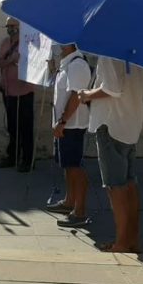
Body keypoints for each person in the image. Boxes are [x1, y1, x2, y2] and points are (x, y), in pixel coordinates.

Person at [78, 56, 143, 253]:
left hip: (111, 124)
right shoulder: (138, 56)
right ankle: (131, 238)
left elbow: (111, 88)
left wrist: (87, 94)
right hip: (130, 122)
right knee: (129, 183)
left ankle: (122, 242)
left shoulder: (109, 55)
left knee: (115, 186)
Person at [47, 43, 92, 227]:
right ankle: (69, 201)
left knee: (75, 167)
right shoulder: (67, 63)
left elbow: (76, 96)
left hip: (72, 124)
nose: (57, 44)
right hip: (65, 124)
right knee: (67, 165)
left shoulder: (77, 65)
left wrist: (63, 121)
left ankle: (80, 211)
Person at [0, 18, 36, 171]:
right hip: (8, 90)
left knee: (26, 127)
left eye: (13, 26)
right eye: (8, 26)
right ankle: (12, 156)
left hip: (24, 91)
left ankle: (27, 160)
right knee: (12, 126)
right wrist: (10, 61)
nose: (10, 29)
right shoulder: (5, 42)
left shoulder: (27, 44)